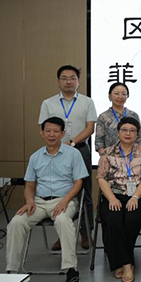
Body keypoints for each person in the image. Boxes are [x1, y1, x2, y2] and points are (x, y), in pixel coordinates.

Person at [6, 117, 89, 282]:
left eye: (56, 131)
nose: (52, 134)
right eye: (48, 131)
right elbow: (30, 185)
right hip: (38, 203)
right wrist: (29, 201)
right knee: (16, 222)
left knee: (63, 221)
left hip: (65, 200)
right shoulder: (35, 157)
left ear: (63, 133)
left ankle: (71, 270)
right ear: (42, 133)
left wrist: (65, 201)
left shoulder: (73, 154)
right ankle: (11, 271)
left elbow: (78, 182)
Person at [38, 65, 96, 250]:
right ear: (58, 82)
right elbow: (44, 128)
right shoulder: (48, 103)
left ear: (79, 81)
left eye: (72, 78)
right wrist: (59, 144)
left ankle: (85, 233)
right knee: (60, 191)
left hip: (80, 149)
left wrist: (71, 142)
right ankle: (62, 234)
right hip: (55, 151)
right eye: (64, 78)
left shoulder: (87, 102)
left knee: (84, 191)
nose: (68, 81)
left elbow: (90, 128)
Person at [97, 117, 141, 282]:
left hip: (137, 195)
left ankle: (121, 261)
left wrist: (135, 197)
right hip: (112, 195)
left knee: (132, 219)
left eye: (132, 130)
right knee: (113, 219)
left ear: (137, 134)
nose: (128, 133)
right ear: (118, 132)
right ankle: (127, 264)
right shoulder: (107, 152)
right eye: (124, 130)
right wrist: (112, 199)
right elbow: (101, 178)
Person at [95, 82, 141, 156]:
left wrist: (139, 157)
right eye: (116, 93)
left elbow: (140, 139)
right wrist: (105, 158)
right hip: (111, 158)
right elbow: (99, 142)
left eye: (124, 94)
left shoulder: (133, 115)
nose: (120, 97)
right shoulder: (103, 117)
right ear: (109, 96)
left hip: (133, 158)